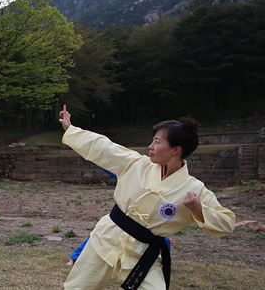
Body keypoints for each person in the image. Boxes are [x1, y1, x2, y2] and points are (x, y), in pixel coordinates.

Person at [59, 105, 235, 289]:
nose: (150, 147)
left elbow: (227, 222)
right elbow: (103, 147)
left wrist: (199, 209)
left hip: (143, 254)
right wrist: (72, 130)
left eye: (157, 142)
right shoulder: (136, 164)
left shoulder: (194, 189)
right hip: (105, 241)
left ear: (175, 150)